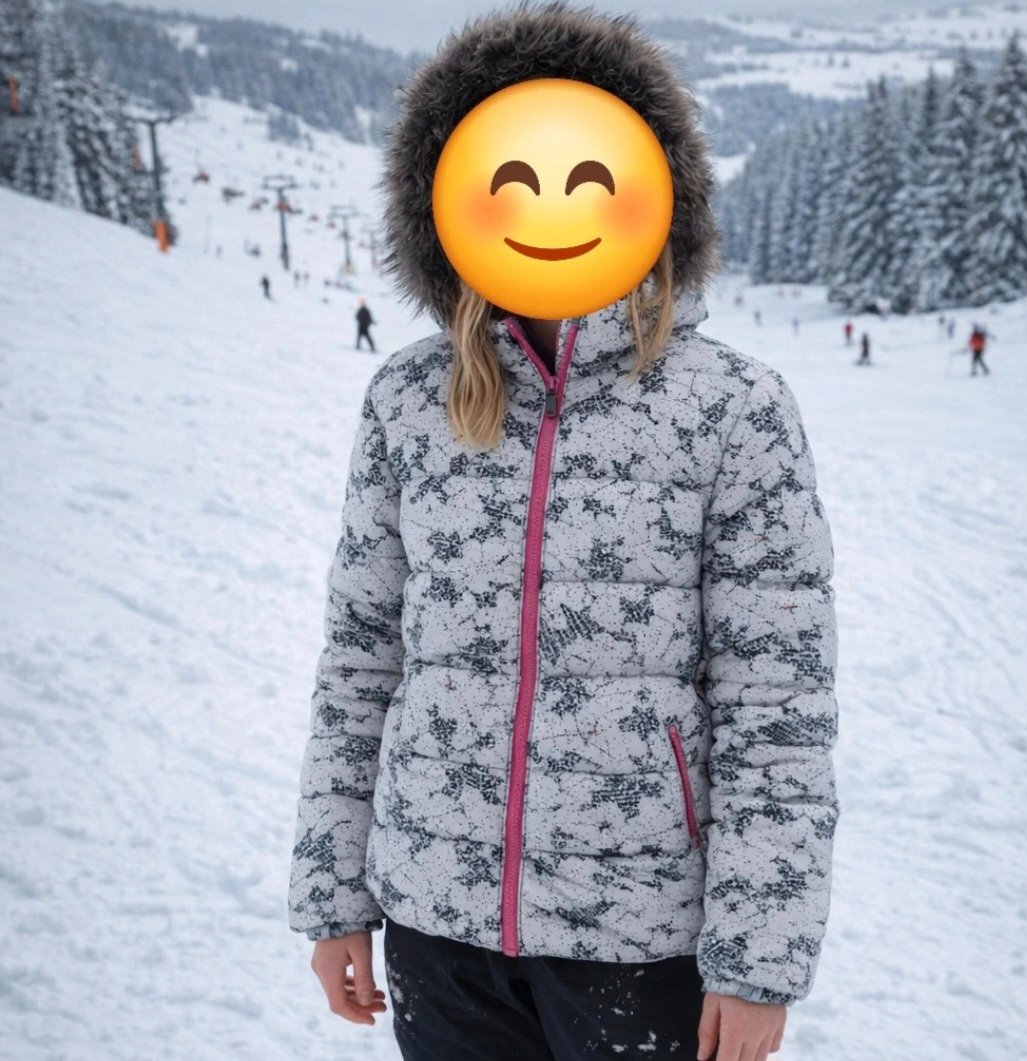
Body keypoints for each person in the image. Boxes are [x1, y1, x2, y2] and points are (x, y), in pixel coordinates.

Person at [287, 6, 840, 1061]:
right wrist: (332, 891)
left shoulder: (732, 409)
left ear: (650, 193)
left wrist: (757, 957)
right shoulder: (409, 401)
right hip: (436, 923)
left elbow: (777, 702)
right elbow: (361, 660)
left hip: (640, 936)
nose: (548, 208)